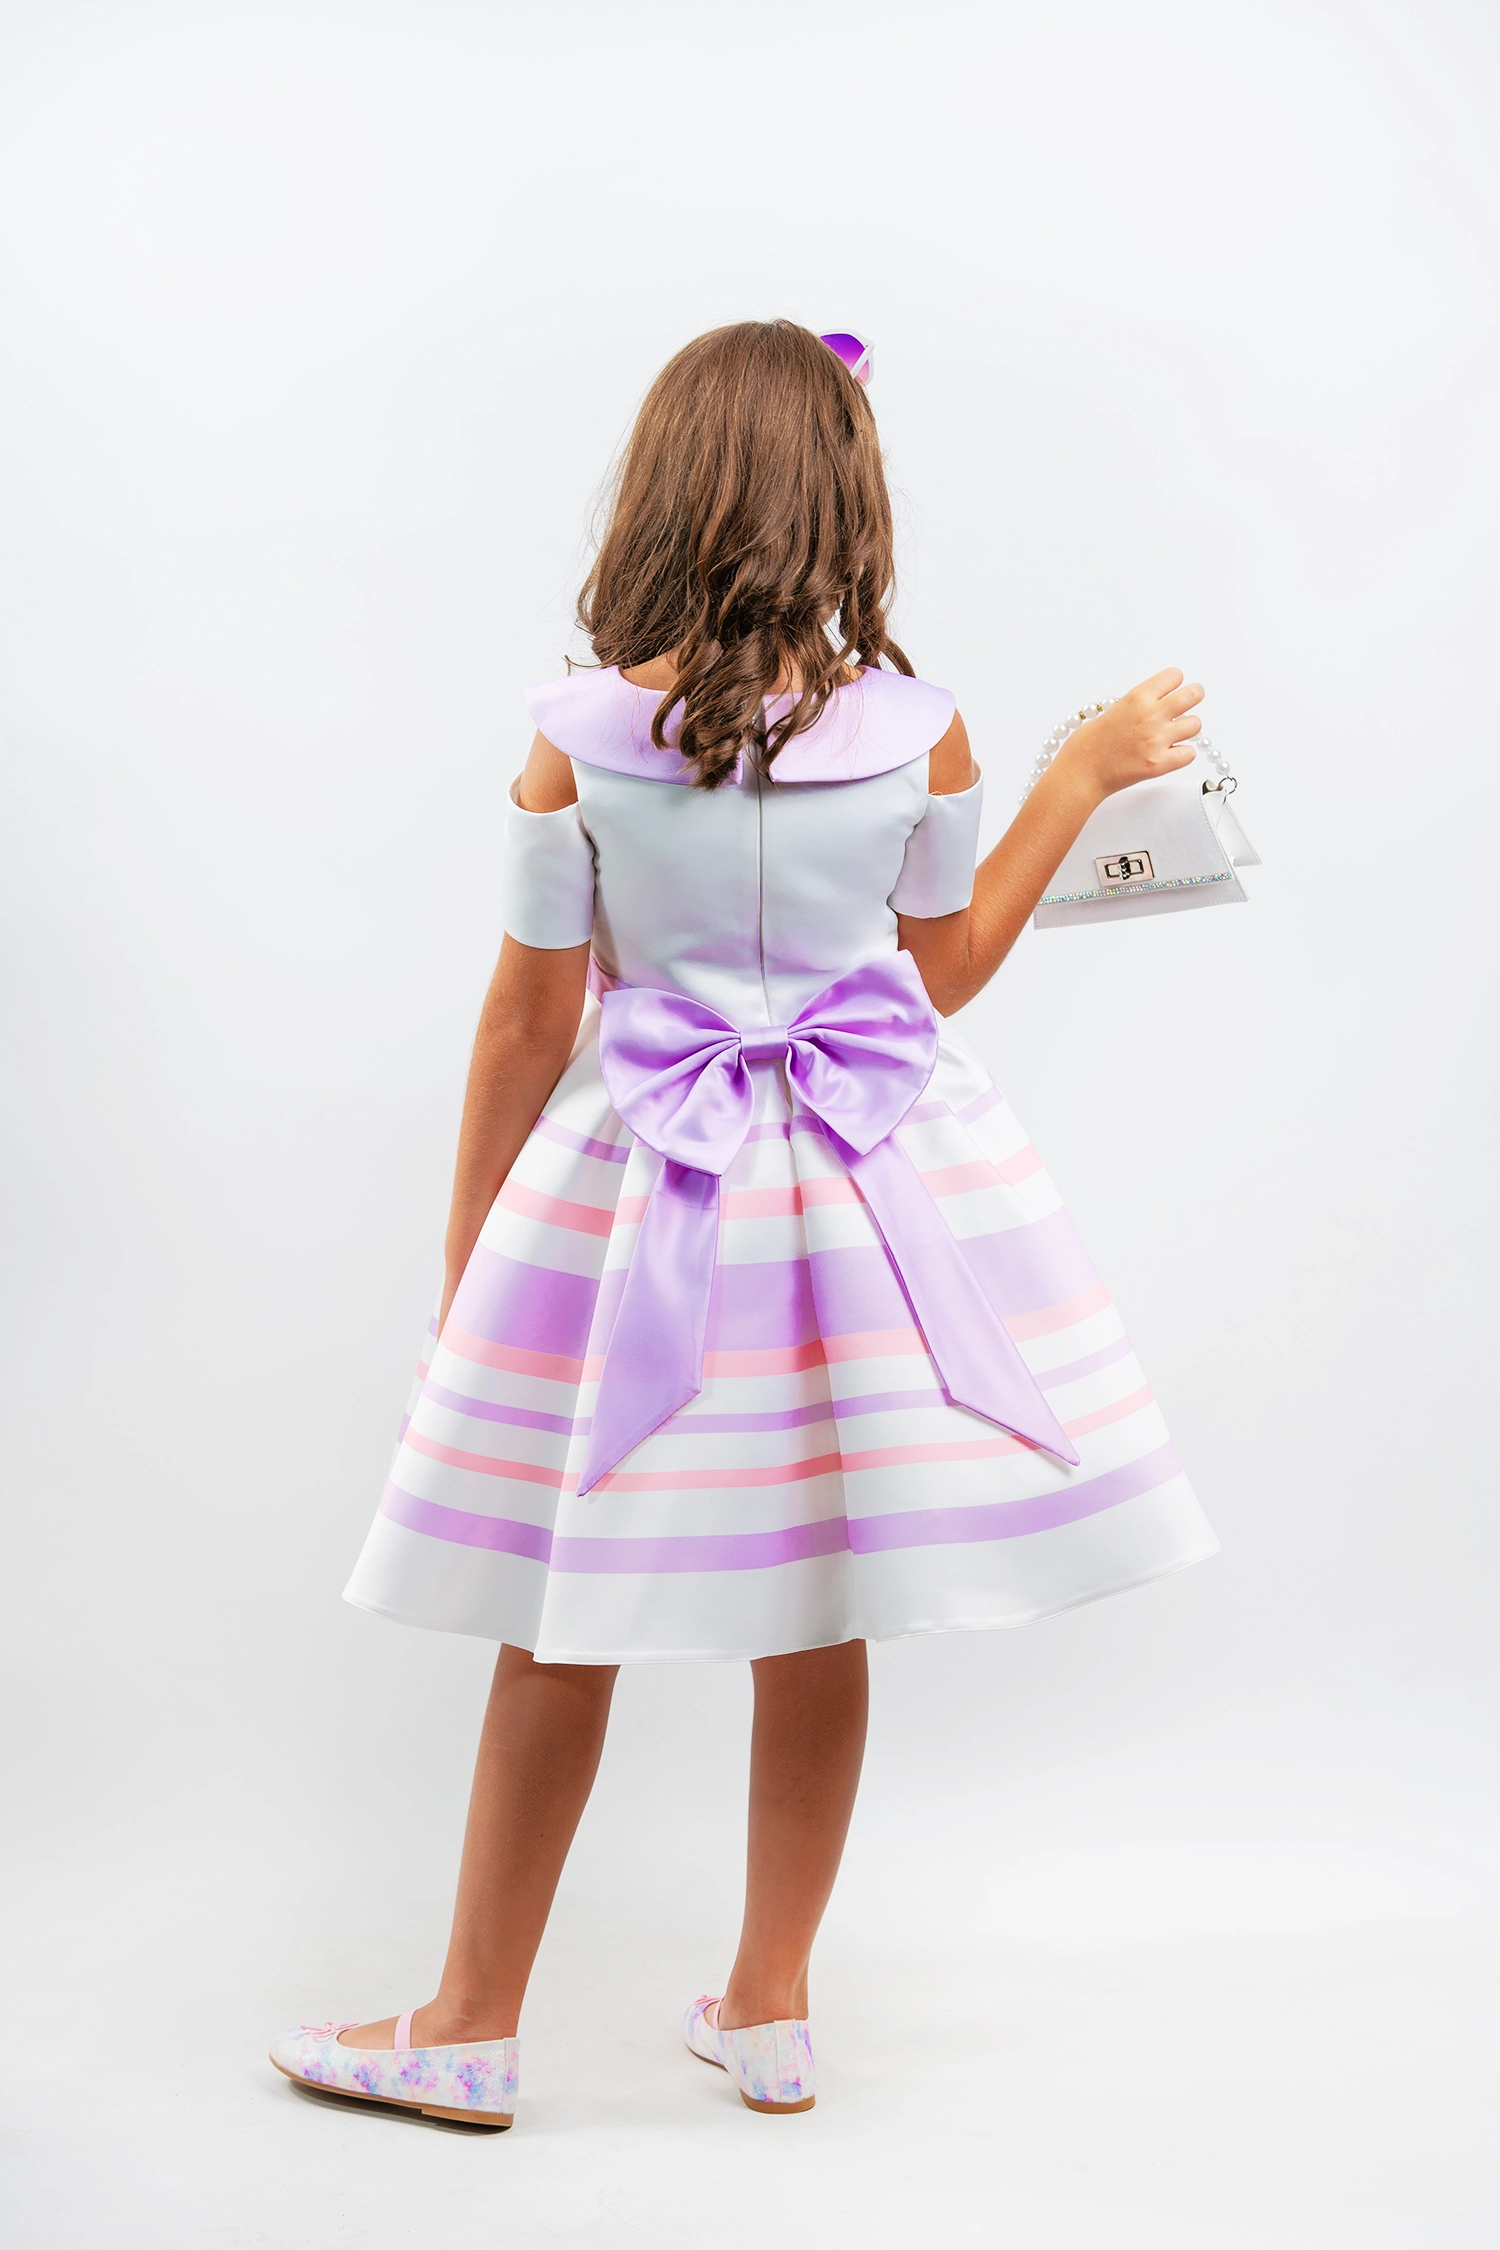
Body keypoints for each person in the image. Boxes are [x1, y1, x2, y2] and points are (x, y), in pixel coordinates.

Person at [270, 319, 1218, 2130]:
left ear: (666, 489)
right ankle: (772, 2005)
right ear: (846, 497)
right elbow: (943, 974)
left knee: (564, 1605)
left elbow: (528, 1023)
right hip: (862, 1188)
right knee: (820, 1591)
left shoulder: (577, 741)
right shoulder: (918, 730)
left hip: (645, 1187)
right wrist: (1078, 775)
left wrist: (470, 1263)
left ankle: (471, 2017)